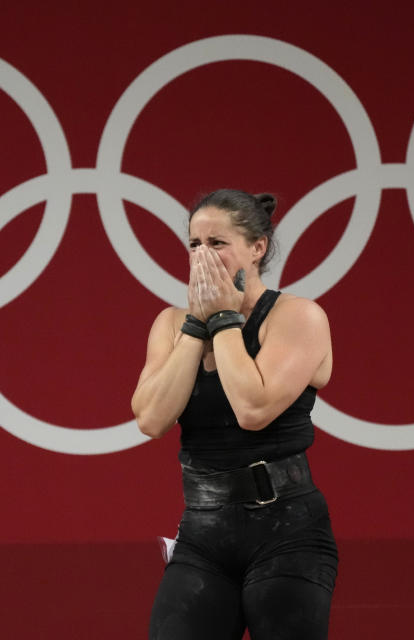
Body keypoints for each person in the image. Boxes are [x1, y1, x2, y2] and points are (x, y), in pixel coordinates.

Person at [132, 189, 339, 640]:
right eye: (194, 245)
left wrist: (224, 317)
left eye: (217, 243)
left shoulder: (298, 316)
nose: (203, 257)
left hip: (288, 531)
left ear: (258, 247)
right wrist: (195, 326)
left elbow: (253, 409)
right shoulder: (170, 323)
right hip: (203, 532)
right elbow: (150, 419)